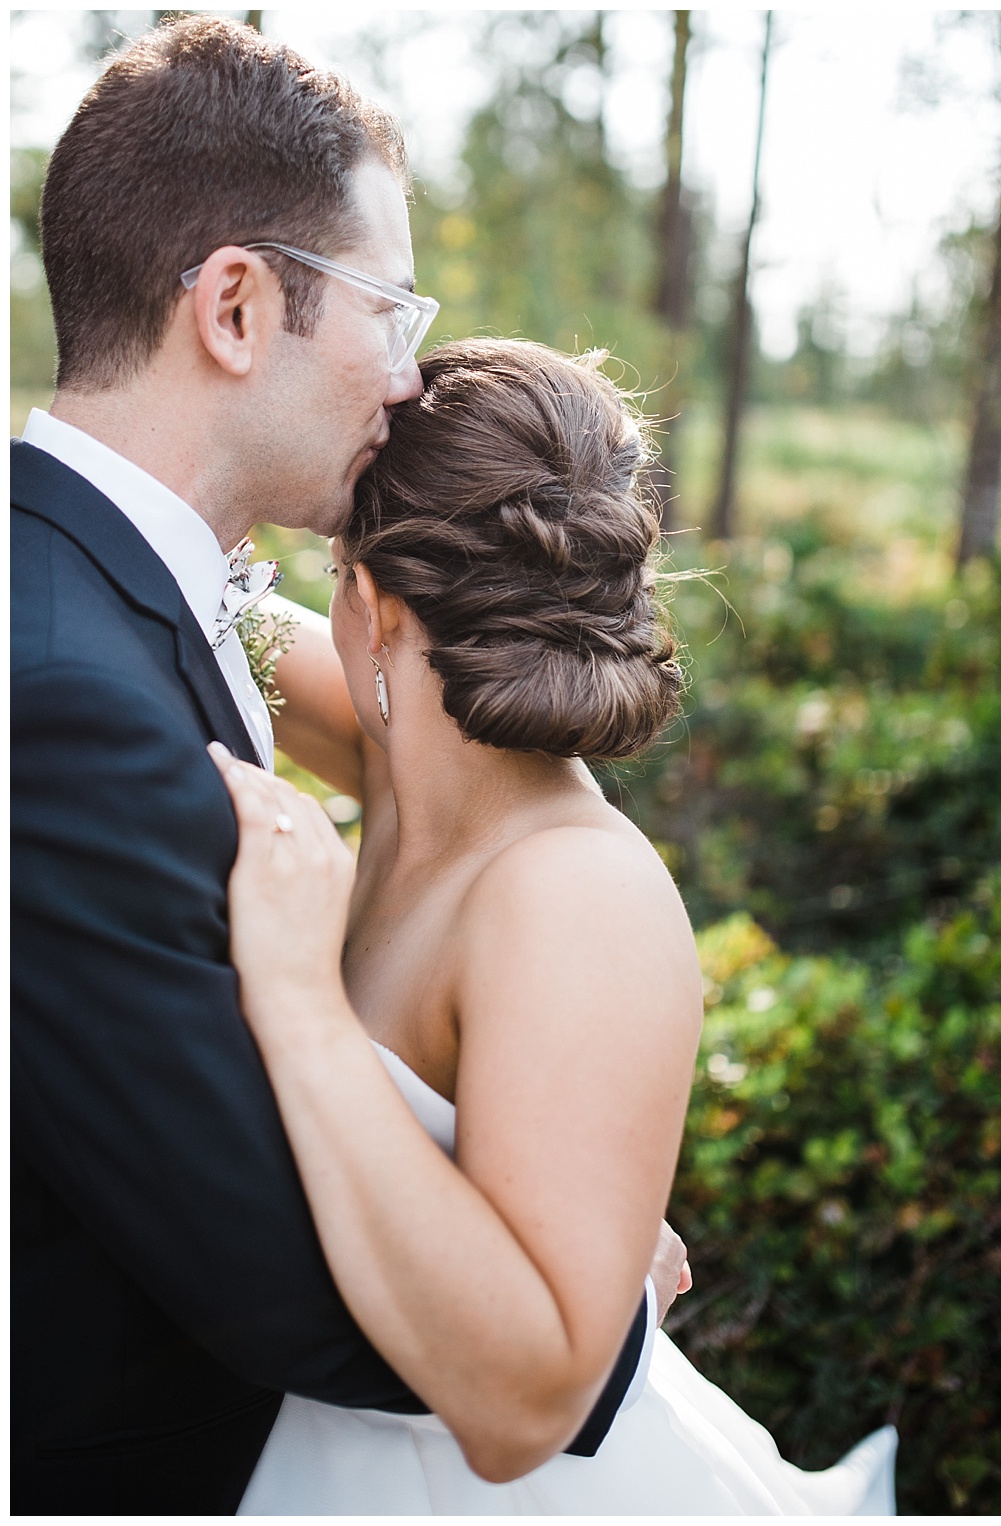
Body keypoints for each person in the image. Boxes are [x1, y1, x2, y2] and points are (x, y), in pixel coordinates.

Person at [10, 19, 658, 1515]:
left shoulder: (138, 596)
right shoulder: (62, 694)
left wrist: (568, 1170)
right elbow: (242, 1253)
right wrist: (592, 1293)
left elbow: (445, 697)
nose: (411, 368)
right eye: (389, 303)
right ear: (235, 305)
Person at [210, 336, 900, 1514]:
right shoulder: (406, 769)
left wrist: (299, 1007)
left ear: (370, 605)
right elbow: (176, 596)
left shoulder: (573, 895)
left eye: (333, 574)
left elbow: (532, 1402)